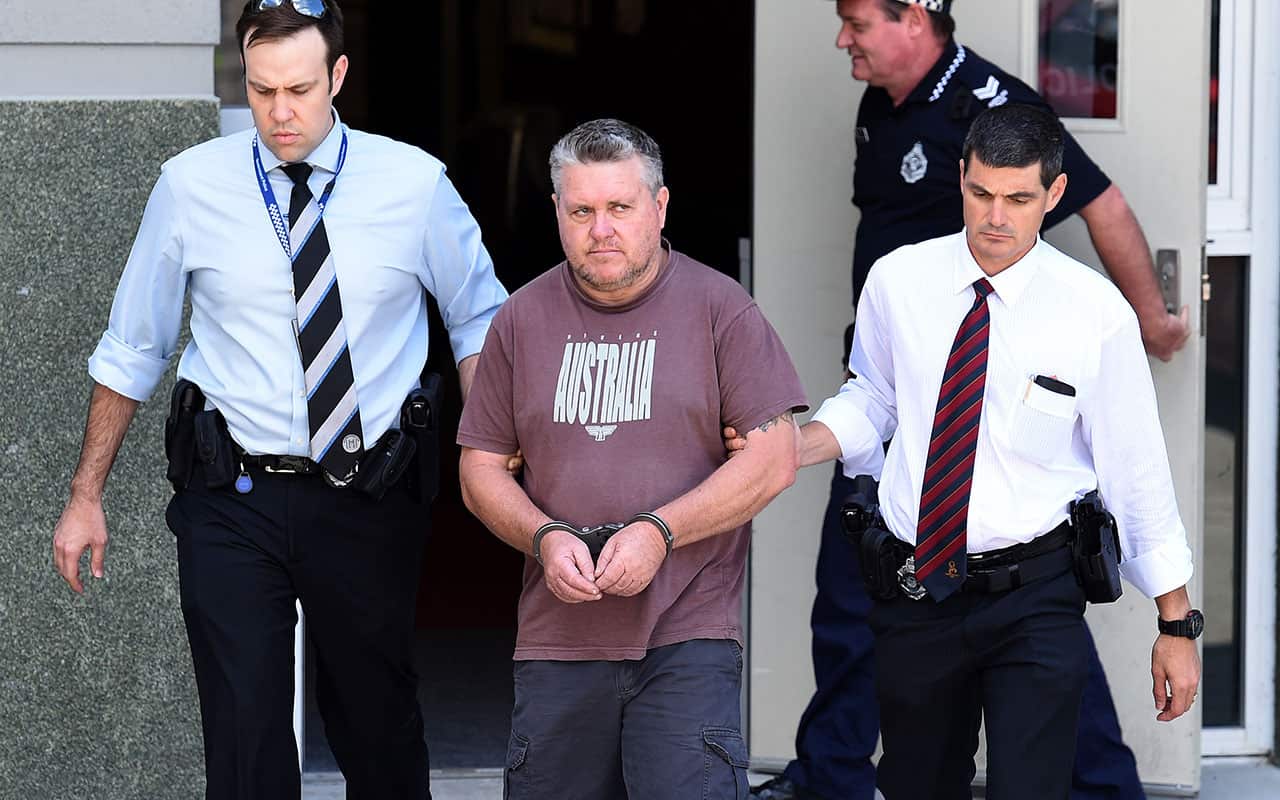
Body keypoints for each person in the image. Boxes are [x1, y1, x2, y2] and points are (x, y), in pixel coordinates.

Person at [50, 2, 507, 797]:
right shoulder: (191, 185)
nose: (280, 112)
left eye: (299, 89)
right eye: (262, 92)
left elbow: (478, 317)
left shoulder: (414, 183)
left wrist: (494, 451)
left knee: (376, 721)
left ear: (338, 76)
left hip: (368, 493)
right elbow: (134, 345)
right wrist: (84, 494)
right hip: (232, 497)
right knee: (243, 729)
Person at [751, 2, 1188, 798]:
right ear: (963, 177)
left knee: (1040, 696)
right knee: (859, 629)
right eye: (981, 194)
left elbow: (1135, 470)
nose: (994, 218)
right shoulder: (900, 260)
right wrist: (801, 440)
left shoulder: (1002, 123)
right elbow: (873, 393)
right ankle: (834, 773)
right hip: (914, 485)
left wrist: (1174, 620)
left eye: (1017, 201)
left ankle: (1104, 788)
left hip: (1030, 556)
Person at [456, 118, 806, 799]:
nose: (601, 229)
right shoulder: (520, 320)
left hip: (687, 636)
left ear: (659, 206)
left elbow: (774, 459)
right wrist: (543, 536)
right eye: (581, 211)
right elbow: (479, 469)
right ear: (557, 211)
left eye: (620, 207)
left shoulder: (720, 309)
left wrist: (659, 531)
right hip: (557, 640)